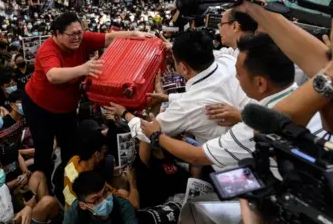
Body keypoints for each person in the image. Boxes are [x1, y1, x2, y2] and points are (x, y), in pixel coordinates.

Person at [139, 34, 323, 171]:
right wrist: (240, 116)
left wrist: (156, 136)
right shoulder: (311, 100)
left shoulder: (253, 130)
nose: (234, 77)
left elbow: (197, 156)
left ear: (260, 83)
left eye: (239, 74)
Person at [23, 11, 154, 184]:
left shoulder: (82, 39)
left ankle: (68, 186)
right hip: (39, 107)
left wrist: (133, 34)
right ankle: (44, 188)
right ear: (57, 34)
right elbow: (53, 75)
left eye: (80, 33)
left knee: (71, 150)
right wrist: (83, 69)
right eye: (72, 34)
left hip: (67, 108)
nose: (77, 37)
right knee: (44, 150)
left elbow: (108, 38)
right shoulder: (47, 50)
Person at [107, 29, 250, 144]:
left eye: (174, 60)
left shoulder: (186, 106)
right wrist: (169, 97)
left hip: (223, 165)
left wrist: (124, 113)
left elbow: (148, 131)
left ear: (183, 67)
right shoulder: (229, 61)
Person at [64, 120, 139, 210]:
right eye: (103, 151)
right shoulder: (94, 184)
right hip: (89, 216)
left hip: (69, 209)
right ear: (96, 154)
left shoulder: (73, 160)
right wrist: (132, 183)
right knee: (124, 192)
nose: (105, 154)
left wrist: (110, 171)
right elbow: (134, 206)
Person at [63, 171, 138, 224]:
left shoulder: (123, 206)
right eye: (97, 199)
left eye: (106, 192)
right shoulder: (75, 211)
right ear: (83, 205)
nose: (105, 200)